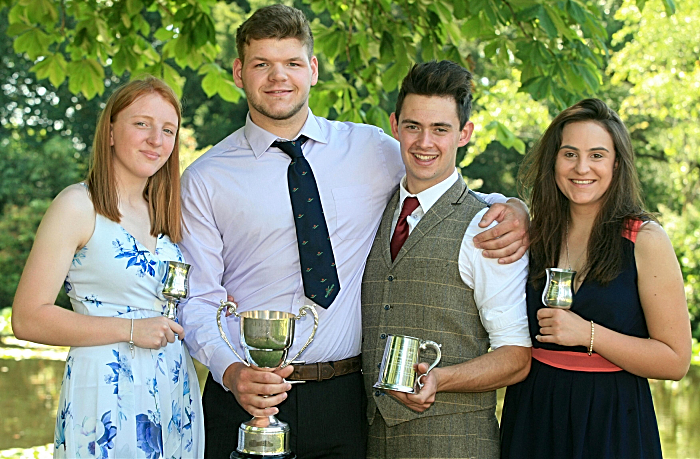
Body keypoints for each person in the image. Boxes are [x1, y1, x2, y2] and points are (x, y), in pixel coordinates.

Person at [178, 5, 529, 458]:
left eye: (291, 63)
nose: (277, 77)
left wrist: (514, 208)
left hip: (344, 399)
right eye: (262, 64)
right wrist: (230, 374)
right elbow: (197, 299)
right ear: (239, 71)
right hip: (245, 394)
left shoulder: (371, 149)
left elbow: (438, 179)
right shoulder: (206, 178)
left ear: (314, 69)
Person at [11, 77, 204, 458]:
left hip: (173, 392)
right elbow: (27, 318)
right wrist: (130, 329)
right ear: (111, 131)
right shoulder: (77, 206)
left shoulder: (168, 214)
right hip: (106, 393)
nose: (156, 139)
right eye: (141, 124)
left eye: (168, 130)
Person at [499, 98, 692, 459]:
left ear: (617, 163)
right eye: (569, 154)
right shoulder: (535, 234)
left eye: (597, 155)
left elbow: (676, 360)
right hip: (534, 414)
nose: (581, 167)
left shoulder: (645, 240)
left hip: (611, 422)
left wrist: (587, 334)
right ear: (553, 161)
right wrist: (513, 204)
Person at [361, 60, 532, 459]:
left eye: (440, 129)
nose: (425, 142)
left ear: (464, 134)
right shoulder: (371, 210)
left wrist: (442, 379)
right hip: (370, 442)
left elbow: (516, 357)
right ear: (394, 126)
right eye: (413, 127)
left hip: (456, 446)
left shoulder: (488, 228)